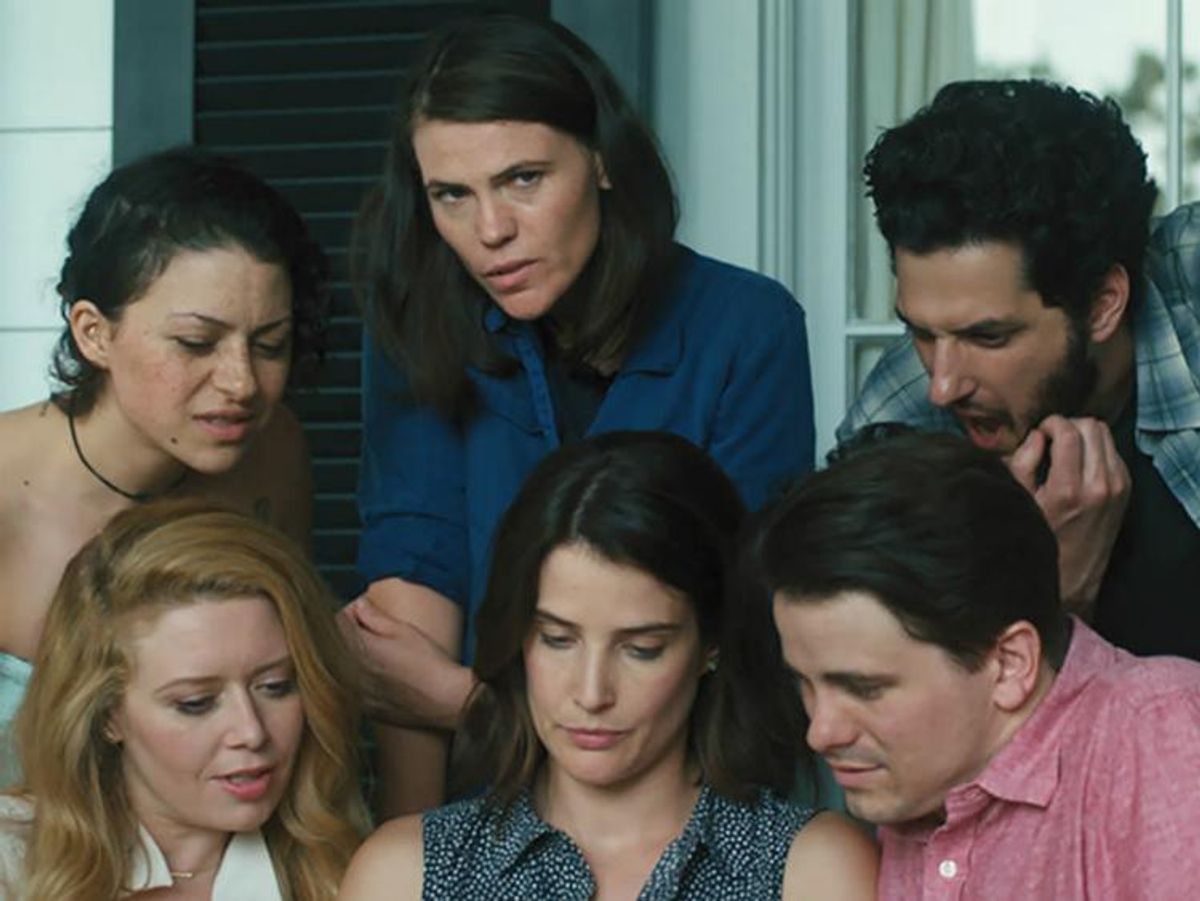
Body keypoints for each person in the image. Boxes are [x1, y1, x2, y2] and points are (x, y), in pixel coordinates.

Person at [343, 13, 816, 815]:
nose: (491, 230)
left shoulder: (747, 326)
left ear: (600, 160)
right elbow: (404, 623)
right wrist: (414, 851)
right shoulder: (419, 326)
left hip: (702, 799)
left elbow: (735, 642)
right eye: (452, 195)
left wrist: (463, 701)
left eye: (524, 178)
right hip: (484, 801)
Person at [339, 432, 876, 900]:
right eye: (557, 640)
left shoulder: (811, 871)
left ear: (711, 643)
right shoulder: (405, 877)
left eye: (642, 649)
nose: (592, 693)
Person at [749, 430, 1200, 900]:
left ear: (1009, 664)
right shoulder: (924, 780)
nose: (821, 733)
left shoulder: (1157, 734)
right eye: (804, 684)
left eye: (865, 689)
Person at [838, 78, 1200, 659]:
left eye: (988, 337)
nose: (942, 385)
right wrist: (1053, 594)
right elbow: (886, 693)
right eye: (921, 333)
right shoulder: (900, 427)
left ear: (1103, 304)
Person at [0, 146, 326, 784]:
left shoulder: (273, 452)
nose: (241, 383)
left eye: (270, 345)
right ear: (94, 333)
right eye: (196, 343)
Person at [0, 500, 367, 899]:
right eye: (196, 703)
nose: (251, 732)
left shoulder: (358, 874)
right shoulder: (11, 860)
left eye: (276, 686)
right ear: (107, 714)